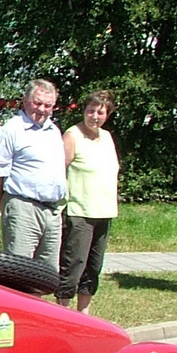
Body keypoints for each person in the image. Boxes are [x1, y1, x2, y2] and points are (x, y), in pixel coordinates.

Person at [0, 79, 67, 270]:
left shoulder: (53, 130)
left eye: (48, 105)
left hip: (52, 211)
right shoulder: (11, 130)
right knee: (19, 271)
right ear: (25, 101)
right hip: (23, 208)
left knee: (46, 275)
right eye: (37, 103)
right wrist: (6, 203)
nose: (42, 109)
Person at [58, 90, 119, 314]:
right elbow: (60, 171)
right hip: (79, 211)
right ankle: (63, 312)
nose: (94, 116)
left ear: (107, 114)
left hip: (104, 211)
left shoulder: (107, 137)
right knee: (74, 265)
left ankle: (84, 313)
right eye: (90, 111)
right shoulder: (72, 135)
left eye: (100, 112)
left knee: (93, 267)